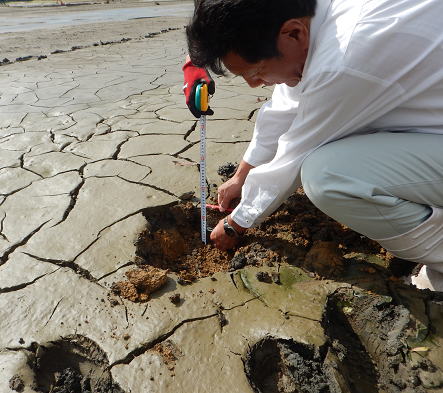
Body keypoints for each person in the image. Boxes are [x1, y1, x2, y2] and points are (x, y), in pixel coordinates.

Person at [182, 0, 443, 291]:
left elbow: (293, 158)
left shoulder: (343, 57)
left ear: (293, 34)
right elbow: (283, 110)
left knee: (326, 175)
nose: (254, 85)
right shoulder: (314, 23)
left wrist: (235, 224)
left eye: (256, 71)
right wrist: (241, 176)